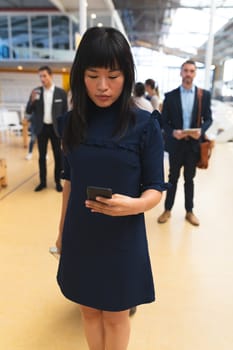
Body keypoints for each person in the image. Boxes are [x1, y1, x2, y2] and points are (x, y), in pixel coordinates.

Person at [55, 26, 168, 350]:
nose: (102, 86)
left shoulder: (144, 125)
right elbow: (69, 182)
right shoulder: (71, 123)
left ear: (127, 74)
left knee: (116, 316)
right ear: (80, 75)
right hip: (81, 233)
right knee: (89, 311)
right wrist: (62, 231)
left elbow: (155, 188)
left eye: (113, 76)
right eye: (92, 76)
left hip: (122, 238)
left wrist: (133, 205)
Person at [157, 59, 212, 226]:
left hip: (193, 146)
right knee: (172, 178)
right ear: (181, 73)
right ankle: (167, 210)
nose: (188, 74)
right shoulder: (170, 96)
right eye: (185, 70)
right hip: (176, 145)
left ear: (195, 74)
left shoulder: (204, 95)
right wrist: (173, 132)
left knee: (190, 179)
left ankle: (189, 211)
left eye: (191, 71)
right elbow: (163, 122)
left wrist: (201, 131)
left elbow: (209, 119)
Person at [26, 65, 68, 192]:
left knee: (58, 157)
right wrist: (32, 101)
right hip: (42, 128)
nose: (42, 79)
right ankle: (42, 182)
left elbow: (65, 113)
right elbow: (29, 111)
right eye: (40, 76)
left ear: (51, 76)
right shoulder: (36, 92)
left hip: (56, 129)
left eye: (44, 76)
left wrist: (64, 131)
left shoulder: (61, 93)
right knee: (41, 157)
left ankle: (57, 182)